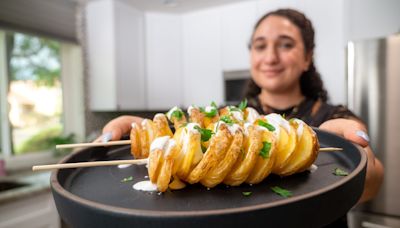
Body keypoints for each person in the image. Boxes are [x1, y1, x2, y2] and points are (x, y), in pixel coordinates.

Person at [96, 8, 383, 227]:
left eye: (285, 44)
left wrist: (359, 165)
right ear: (251, 56)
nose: (270, 57)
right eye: (260, 46)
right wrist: (149, 131)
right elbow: (185, 134)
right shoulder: (224, 121)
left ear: (307, 57)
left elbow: (371, 185)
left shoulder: (333, 117)